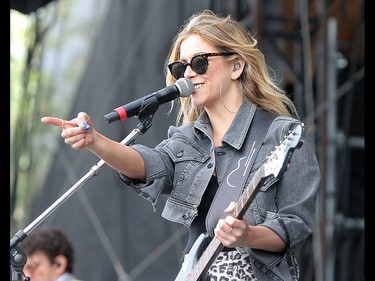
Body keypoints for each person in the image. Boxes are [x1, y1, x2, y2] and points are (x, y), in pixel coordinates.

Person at [41, 9, 320, 281]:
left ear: (237, 66)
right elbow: (149, 166)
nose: (188, 74)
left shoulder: (282, 134)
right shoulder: (187, 139)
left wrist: (248, 235)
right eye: (180, 67)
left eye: (199, 62)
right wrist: (96, 142)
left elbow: (296, 224)